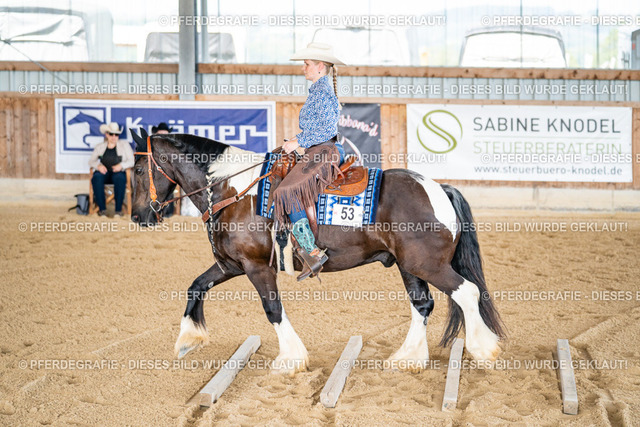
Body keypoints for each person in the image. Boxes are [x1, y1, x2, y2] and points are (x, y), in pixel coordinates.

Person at [273, 42, 346, 281]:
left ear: (320, 67)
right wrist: (297, 140)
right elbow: (318, 128)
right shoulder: (318, 90)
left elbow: (327, 129)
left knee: (288, 191)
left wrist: (299, 142)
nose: (303, 68)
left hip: (325, 150)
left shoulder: (322, 92)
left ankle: (311, 252)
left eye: (307, 64)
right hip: (319, 149)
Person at [88, 122, 134, 216]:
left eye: (116, 134)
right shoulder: (100, 146)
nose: (114, 137)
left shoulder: (124, 145)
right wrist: (98, 166)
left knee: (119, 178)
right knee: (96, 178)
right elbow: (91, 161)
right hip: (104, 172)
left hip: (118, 172)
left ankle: (118, 210)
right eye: (111, 134)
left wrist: (121, 165)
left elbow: (132, 161)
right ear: (107, 134)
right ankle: (102, 209)